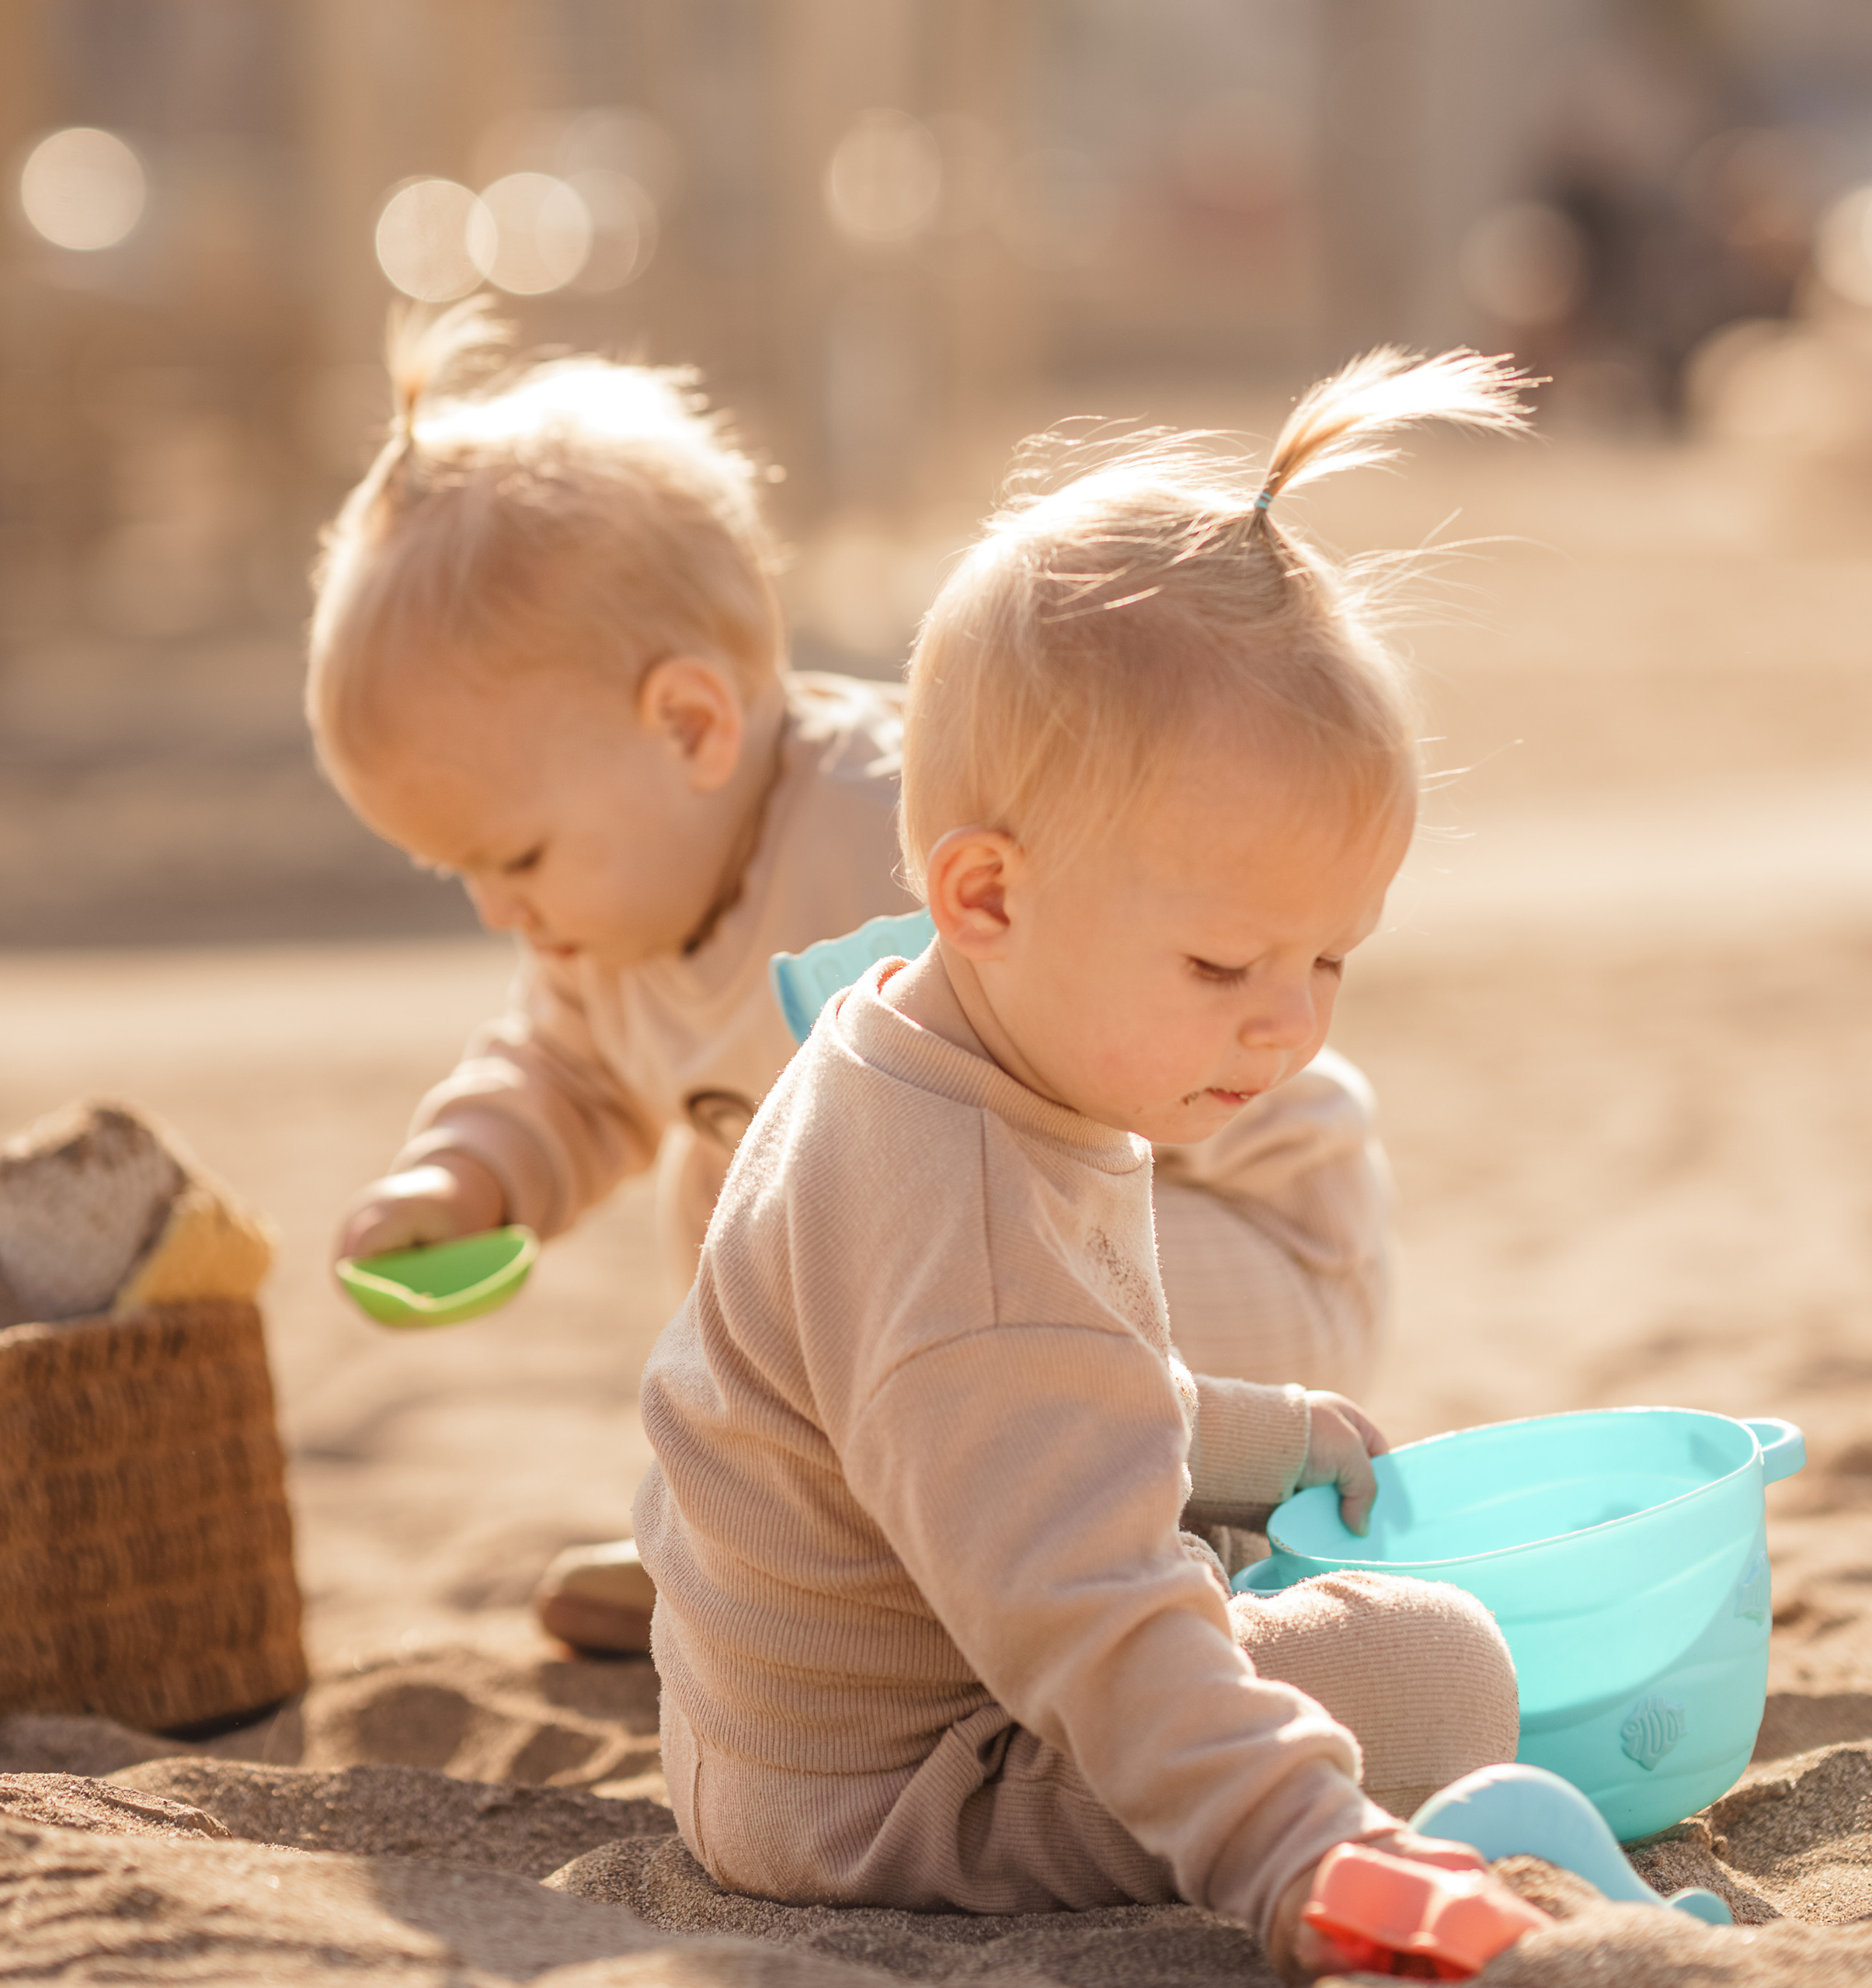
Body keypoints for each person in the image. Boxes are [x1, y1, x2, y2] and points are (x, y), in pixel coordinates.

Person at [306, 302, 1398, 1656]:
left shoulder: (892, 844)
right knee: (751, 1192)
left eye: (515, 854)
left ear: (691, 726)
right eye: (455, 871)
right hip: (998, 1289)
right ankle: (785, 1547)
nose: (497, 909)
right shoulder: (603, 937)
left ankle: (966, 1561)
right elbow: (563, 1077)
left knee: (880, 1242)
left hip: (1237, 1241)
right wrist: (464, 1179)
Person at [634, 351, 1535, 1980]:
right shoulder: (960, 1217)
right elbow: (1087, 1601)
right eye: (1219, 967)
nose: (1282, 1031)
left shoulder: (934, 1041)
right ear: (982, 892)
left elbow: (1052, 1399)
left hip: (811, 1705)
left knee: (1277, 1546)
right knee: (1437, 1672)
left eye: (1326, 961)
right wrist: (1303, 1851)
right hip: (889, 1791)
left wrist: (1247, 1432)